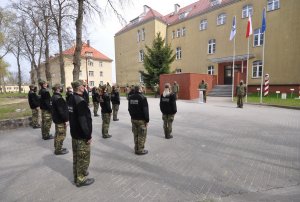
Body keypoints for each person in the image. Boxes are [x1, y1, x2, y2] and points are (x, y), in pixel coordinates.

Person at [68, 80, 94, 187]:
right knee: (83, 158)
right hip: (81, 135)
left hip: (74, 134)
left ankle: (76, 175)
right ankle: (81, 179)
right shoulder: (80, 101)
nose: (84, 87)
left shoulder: (71, 98)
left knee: (76, 157)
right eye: (83, 86)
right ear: (79, 87)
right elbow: (83, 121)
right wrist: (88, 136)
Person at [128, 85, 149, 155]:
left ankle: (136, 148)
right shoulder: (143, 98)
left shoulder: (130, 97)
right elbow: (145, 110)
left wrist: (132, 116)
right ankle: (140, 150)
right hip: (141, 120)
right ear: (140, 89)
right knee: (142, 135)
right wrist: (147, 120)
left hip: (133, 119)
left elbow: (129, 109)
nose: (142, 89)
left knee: (135, 134)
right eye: (142, 88)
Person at [51, 84, 69, 155]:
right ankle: (58, 150)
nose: (62, 88)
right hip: (60, 120)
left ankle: (57, 147)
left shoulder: (53, 97)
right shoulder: (58, 98)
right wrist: (66, 120)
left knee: (57, 134)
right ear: (58, 88)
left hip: (56, 119)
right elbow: (61, 111)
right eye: (61, 87)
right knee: (61, 135)